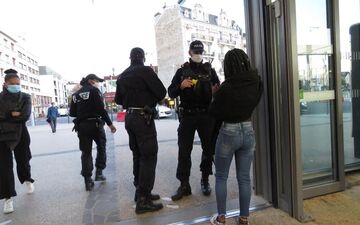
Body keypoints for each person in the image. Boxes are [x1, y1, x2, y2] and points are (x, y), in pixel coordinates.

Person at [209, 49, 263, 225]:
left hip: (228, 132)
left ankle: (221, 218)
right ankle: (243, 219)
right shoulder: (256, 81)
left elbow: (214, 112)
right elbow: (255, 101)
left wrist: (215, 94)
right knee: (244, 177)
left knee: (221, 176)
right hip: (248, 130)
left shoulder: (226, 87)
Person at [115, 47, 166, 214]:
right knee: (149, 155)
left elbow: (119, 100)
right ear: (143, 58)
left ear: (130, 58)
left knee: (138, 154)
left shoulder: (122, 75)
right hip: (143, 117)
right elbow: (161, 92)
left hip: (129, 117)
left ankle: (140, 192)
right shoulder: (145, 71)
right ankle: (144, 200)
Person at [168, 40, 220, 201]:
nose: (198, 55)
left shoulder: (209, 70)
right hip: (188, 116)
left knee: (208, 149)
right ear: (189, 52)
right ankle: (184, 184)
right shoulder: (182, 71)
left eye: (200, 52)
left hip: (206, 115)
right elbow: (171, 92)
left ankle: (205, 179)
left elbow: (218, 87)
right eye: (195, 52)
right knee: (184, 151)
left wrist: (215, 90)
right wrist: (181, 86)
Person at [69, 74, 117, 191]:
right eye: (96, 81)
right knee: (101, 147)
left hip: (82, 126)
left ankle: (88, 181)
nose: (97, 83)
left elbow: (72, 113)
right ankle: (99, 172)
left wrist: (83, 111)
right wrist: (110, 124)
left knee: (86, 152)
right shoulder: (94, 91)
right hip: (95, 124)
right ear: (90, 81)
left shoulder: (76, 95)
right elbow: (101, 109)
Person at [0, 69, 35, 214]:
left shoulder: (25, 97)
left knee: (23, 160)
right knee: (4, 168)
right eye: (13, 84)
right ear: (5, 84)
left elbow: (25, 116)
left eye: (18, 83)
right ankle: (8, 199)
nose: (16, 86)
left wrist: (5, 116)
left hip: (21, 134)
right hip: (2, 136)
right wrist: (11, 114)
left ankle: (27, 179)